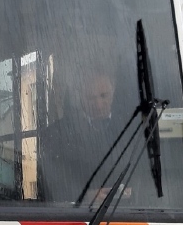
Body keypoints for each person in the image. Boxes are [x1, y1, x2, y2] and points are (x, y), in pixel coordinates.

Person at [40, 67, 125, 204]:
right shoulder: (57, 133)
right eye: (91, 98)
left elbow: (143, 172)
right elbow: (51, 181)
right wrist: (84, 195)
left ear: (113, 91)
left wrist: (133, 189)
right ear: (79, 95)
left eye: (104, 95)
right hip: (77, 216)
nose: (98, 105)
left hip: (130, 215)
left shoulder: (130, 127)